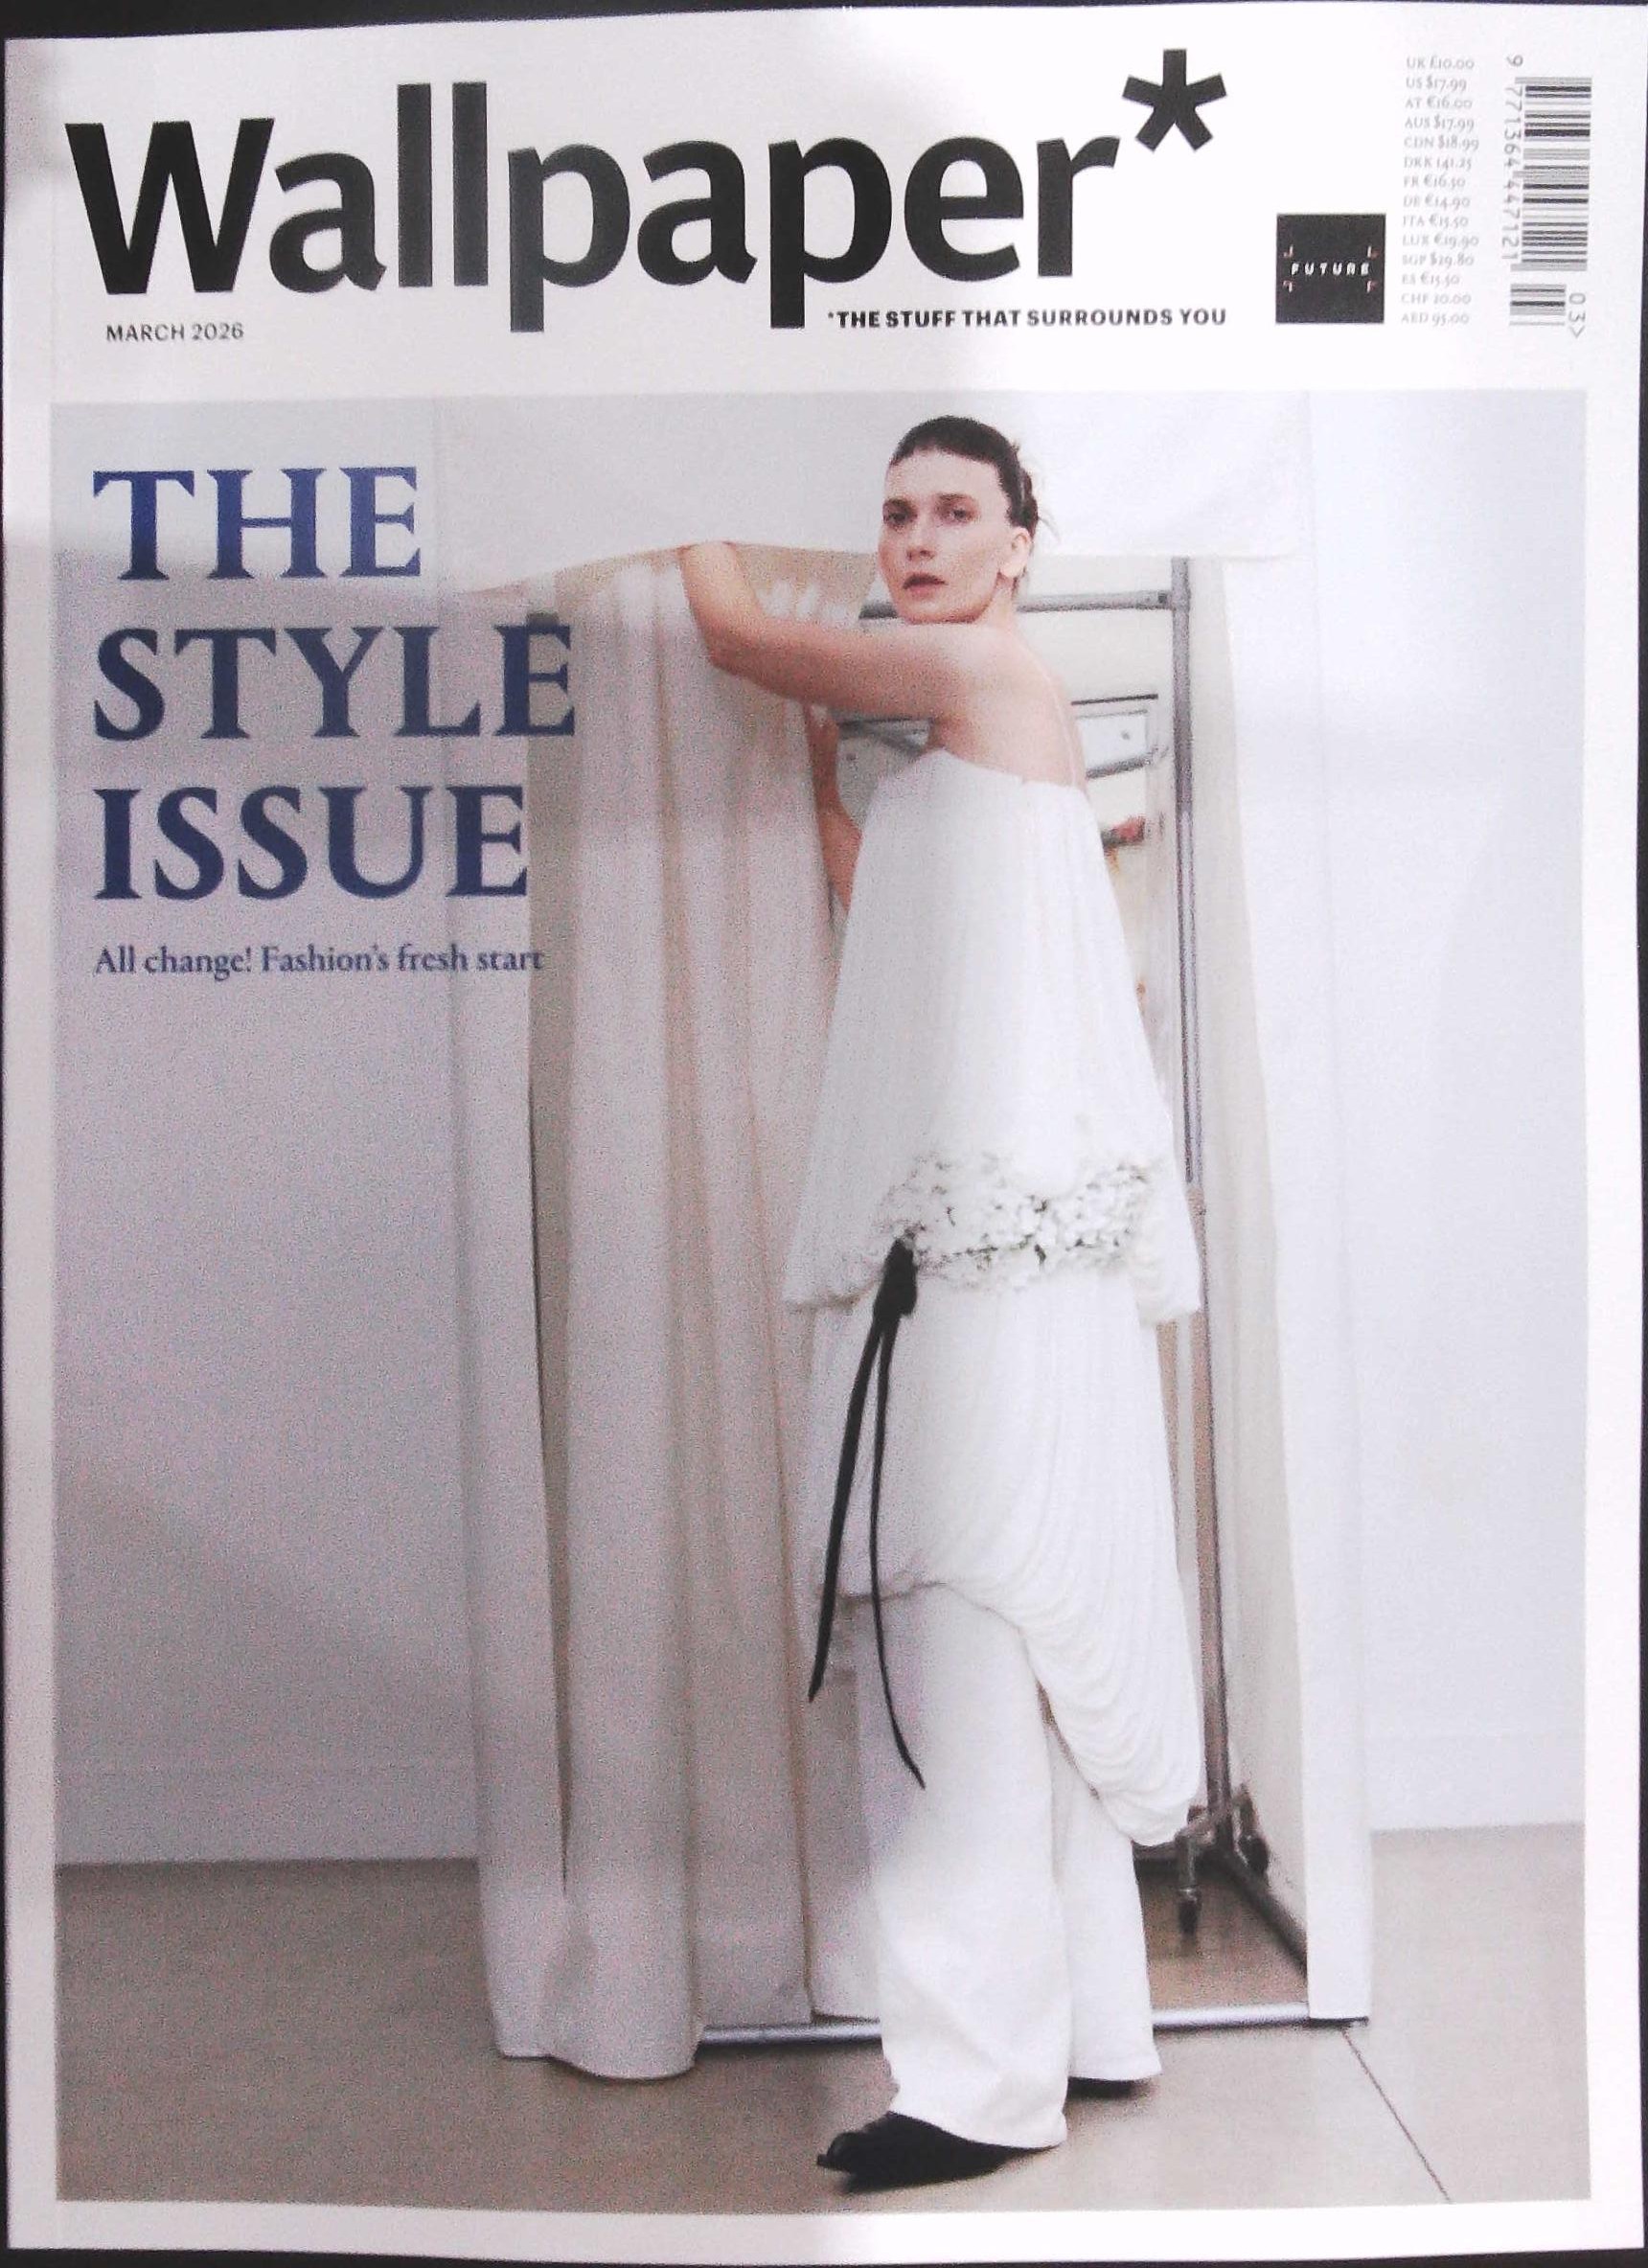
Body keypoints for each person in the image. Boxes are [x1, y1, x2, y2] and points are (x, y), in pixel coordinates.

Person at [680, 416, 1202, 2191]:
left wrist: (654, 495)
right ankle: (1087, 2030)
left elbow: (735, 637)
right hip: (991, 1264)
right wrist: (827, 786)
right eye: (895, 512)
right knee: (1002, 1651)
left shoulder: (987, 677)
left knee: (957, 1644)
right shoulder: (966, 757)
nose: (915, 539)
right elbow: (887, 905)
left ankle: (976, 2091)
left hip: (990, 1276)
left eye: (953, 512)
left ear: (1017, 546)